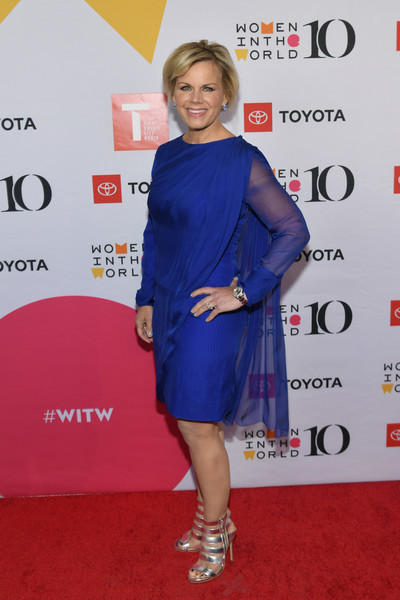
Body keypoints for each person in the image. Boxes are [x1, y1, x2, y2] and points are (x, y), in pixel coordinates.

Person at [135, 40, 310, 584]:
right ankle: (211, 516)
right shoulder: (167, 154)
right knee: (190, 425)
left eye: (208, 87)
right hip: (169, 303)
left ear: (227, 95)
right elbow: (155, 232)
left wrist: (244, 291)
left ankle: (217, 531)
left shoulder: (242, 160)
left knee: (198, 426)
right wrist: (146, 296)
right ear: (171, 93)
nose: (196, 98)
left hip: (210, 316)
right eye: (185, 87)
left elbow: (293, 229)